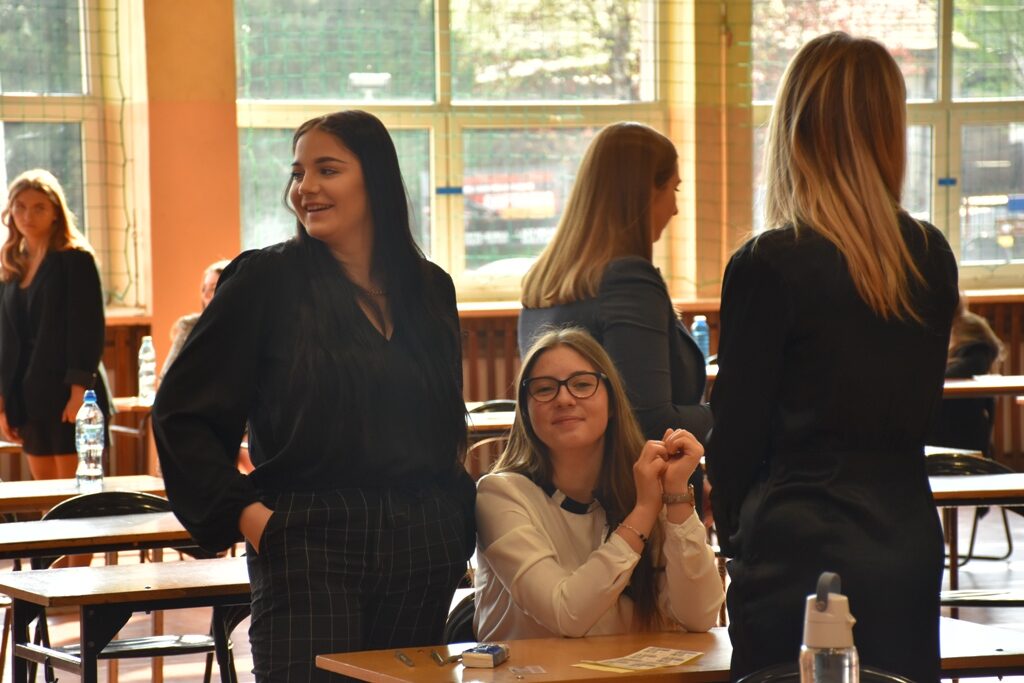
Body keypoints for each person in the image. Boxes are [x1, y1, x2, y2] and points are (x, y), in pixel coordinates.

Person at [153, 110, 475, 681]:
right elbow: (182, 413)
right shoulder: (264, 280)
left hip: (421, 542)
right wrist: (250, 518)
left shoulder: (430, 289)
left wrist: (450, 524)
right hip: (307, 538)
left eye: (328, 170)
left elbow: (443, 422)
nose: (306, 188)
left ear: (375, 179)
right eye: (298, 173)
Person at [706, 32, 958, 682]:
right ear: (889, 131)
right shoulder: (930, 256)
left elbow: (734, 438)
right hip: (905, 541)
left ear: (794, 131)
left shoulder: (769, 263)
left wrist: (738, 537)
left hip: (796, 549)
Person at [474, 327, 723, 641]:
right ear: (525, 409)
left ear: (612, 402)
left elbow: (700, 616)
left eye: (582, 384)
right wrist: (644, 511)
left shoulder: (643, 481)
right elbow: (566, 615)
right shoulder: (499, 494)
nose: (564, 399)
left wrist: (675, 495)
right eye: (545, 389)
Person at [517, 122, 712, 513]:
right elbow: (649, 420)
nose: (675, 209)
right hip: (632, 501)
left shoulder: (544, 281)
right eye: (672, 190)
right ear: (643, 193)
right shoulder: (628, 279)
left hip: (567, 497)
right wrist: (733, 411)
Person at [0, 169, 109, 481]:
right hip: (28, 394)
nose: (27, 216)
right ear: (10, 212)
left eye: (39, 208)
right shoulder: (11, 266)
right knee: (44, 492)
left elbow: (88, 328)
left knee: (72, 493)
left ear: (56, 213)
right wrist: (3, 401)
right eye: (20, 206)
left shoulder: (76, 260)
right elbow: (5, 340)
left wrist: (79, 392)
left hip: (68, 392)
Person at [927, 295, 1004, 455]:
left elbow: (972, 364)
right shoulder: (951, 330)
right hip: (956, 422)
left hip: (960, 427)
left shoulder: (972, 337)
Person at [160, 258, 229, 379]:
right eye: (204, 289)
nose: (205, 295)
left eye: (212, 288)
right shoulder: (189, 326)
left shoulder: (243, 329)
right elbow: (166, 375)